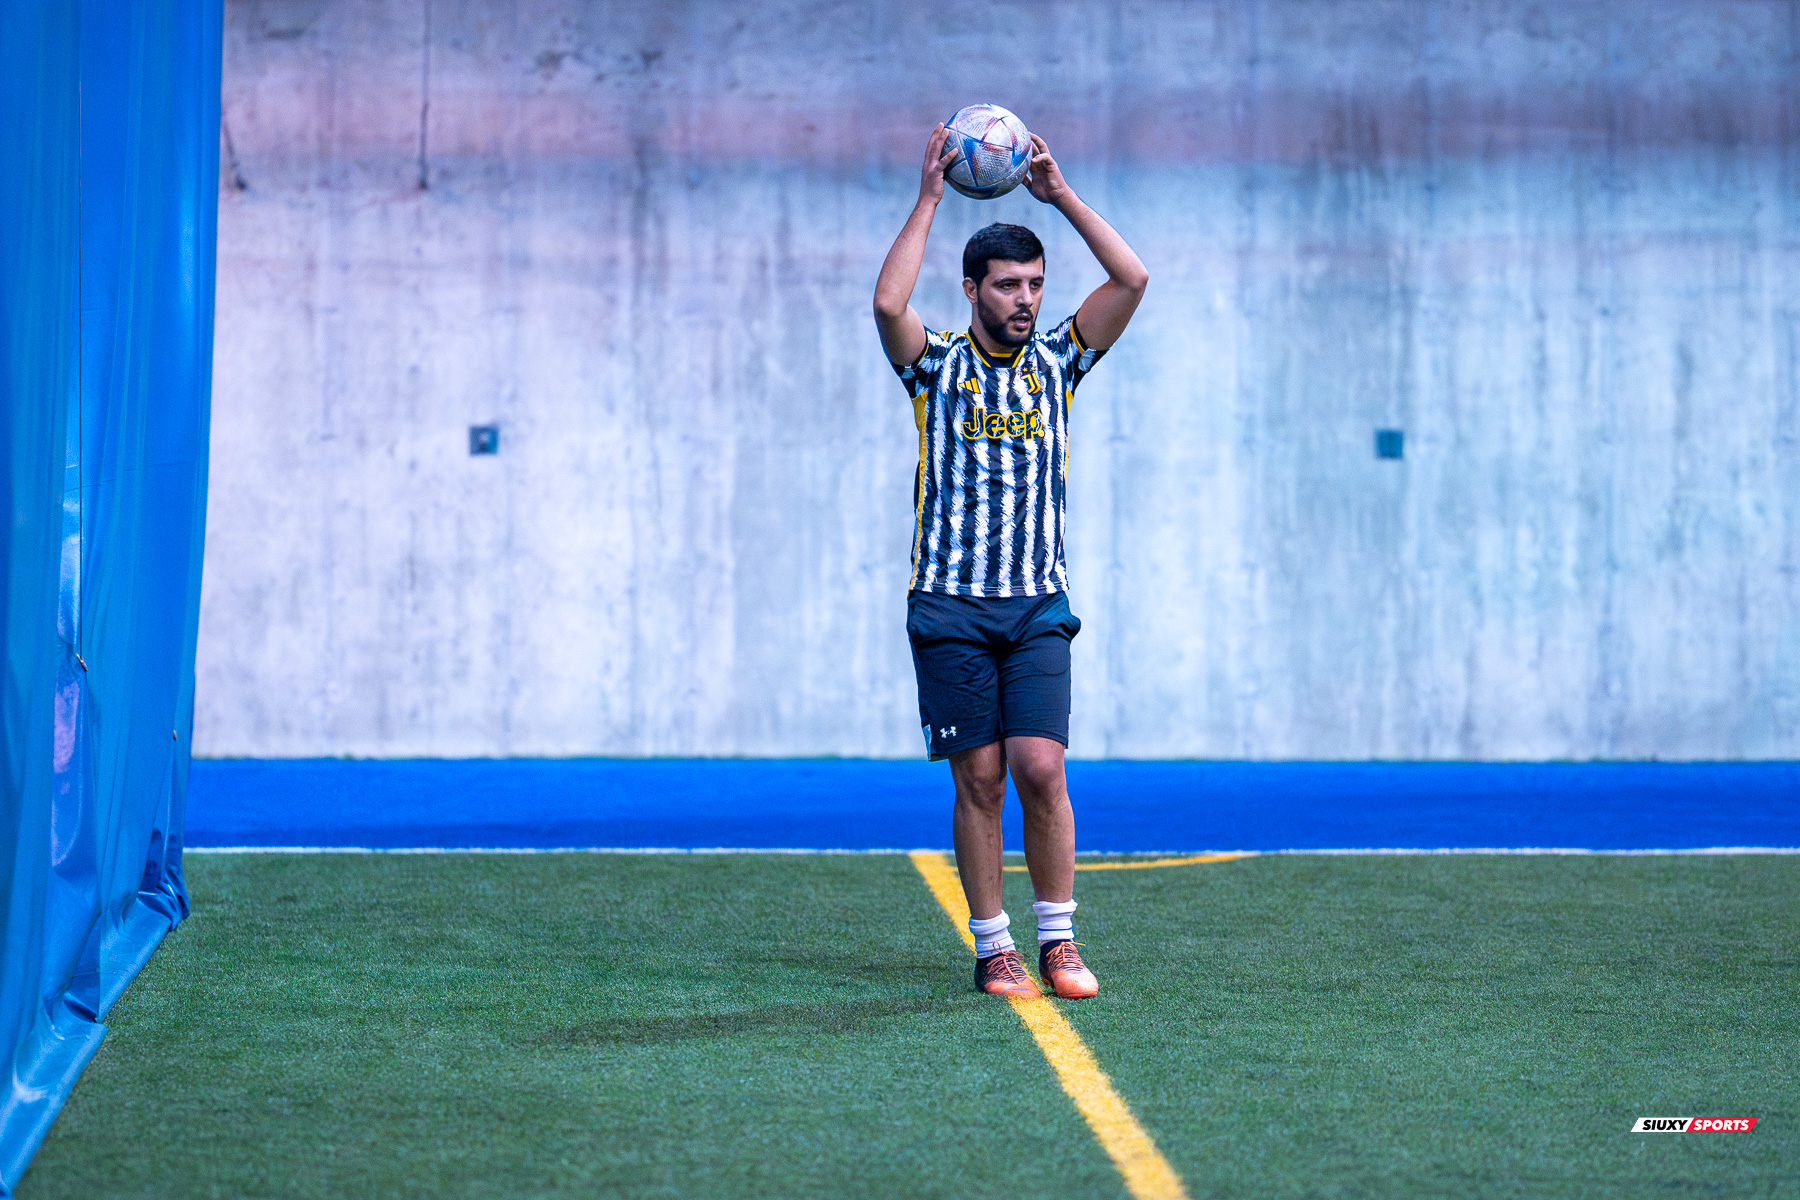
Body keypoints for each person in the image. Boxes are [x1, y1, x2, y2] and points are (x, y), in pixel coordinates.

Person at [872, 124, 1148, 999]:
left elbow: (1133, 279)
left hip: (1035, 604)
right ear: (973, 289)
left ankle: (1058, 942)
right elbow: (887, 307)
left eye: (1035, 283)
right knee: (981, 778)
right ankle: (994, 948)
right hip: (950, 605)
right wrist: (927, 200)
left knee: (1041, 766)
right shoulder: (939, 369)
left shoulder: (1061, 362)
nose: (1025, 298)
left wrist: (1058, 196)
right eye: (1008, 285)